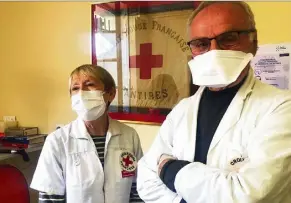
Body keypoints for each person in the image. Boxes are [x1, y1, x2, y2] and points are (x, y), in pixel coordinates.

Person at [137, 2, 291, 203]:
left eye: (228, 39)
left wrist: (170, 169)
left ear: (253, 43)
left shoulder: (280, 107)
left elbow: (248, 195)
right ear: (192, 49)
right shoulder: (182, 110)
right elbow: (146, 181)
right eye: (201, 44)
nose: (214, 51)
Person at [31, 64, 144, 203]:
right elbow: (50, 198)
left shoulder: (129, 136)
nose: (81, 93)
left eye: (89, 84)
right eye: (75, 88)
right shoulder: (57, 141)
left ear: (110, 94)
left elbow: (137, 190)